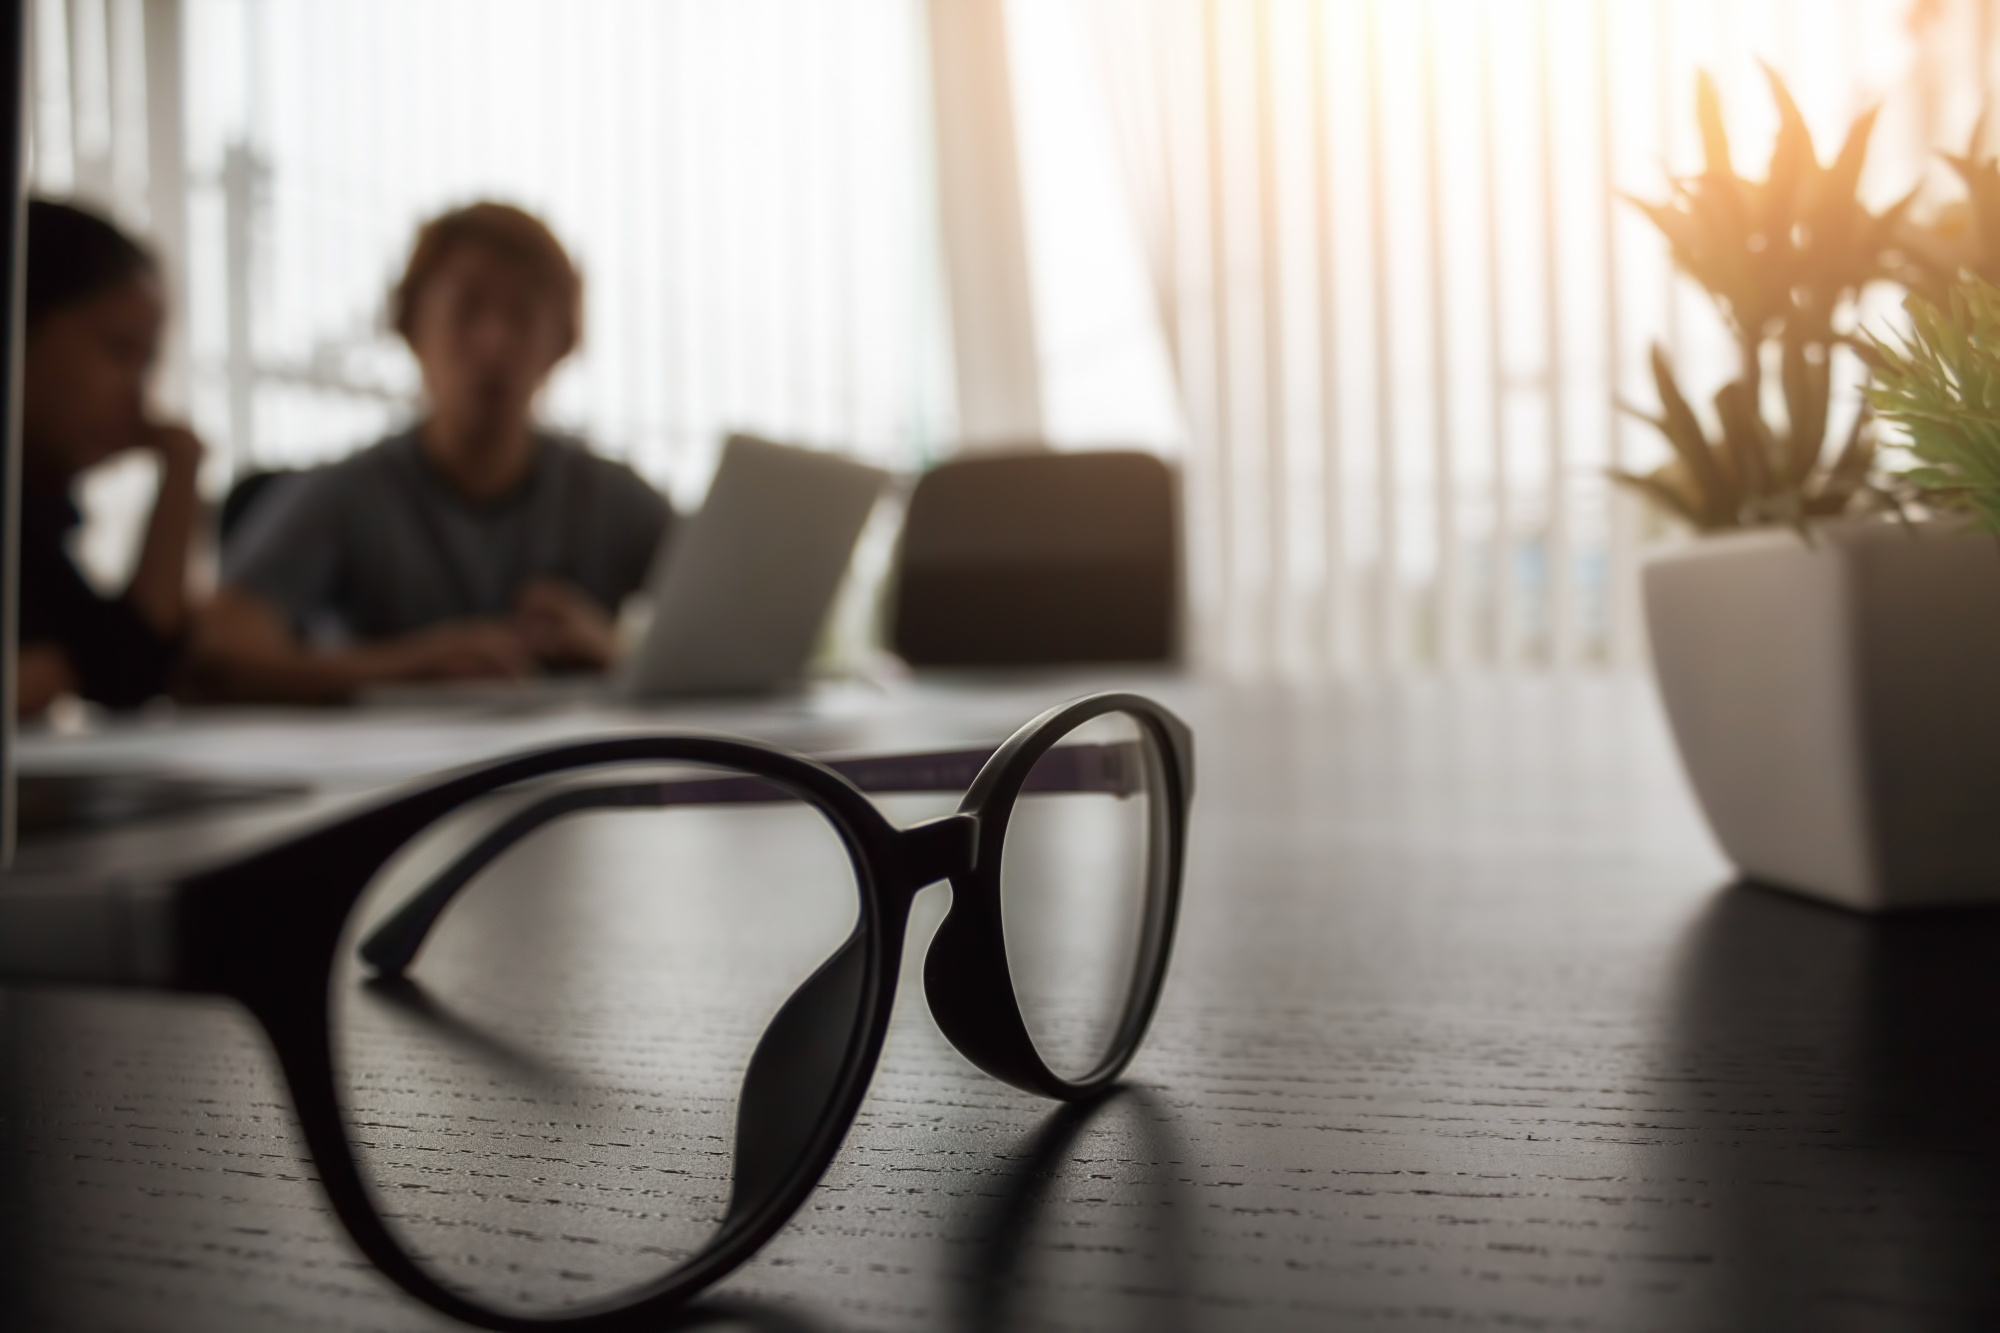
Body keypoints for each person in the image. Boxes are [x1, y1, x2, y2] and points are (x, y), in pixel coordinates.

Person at [195, 203, 672, 701]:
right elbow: (219, 653)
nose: (493, 343)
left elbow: (736, 631)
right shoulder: (347, 494)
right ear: (410, 327)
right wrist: (412, 666)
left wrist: (621, 656)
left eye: (522, 314)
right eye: (466, 309)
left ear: (562, 342)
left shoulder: (614, 499)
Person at [16, 199, 204, 718]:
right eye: (120, 351)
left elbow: (126, 669)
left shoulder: (35, 515)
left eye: (148, 364)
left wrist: (182, 470)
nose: (139, 399)